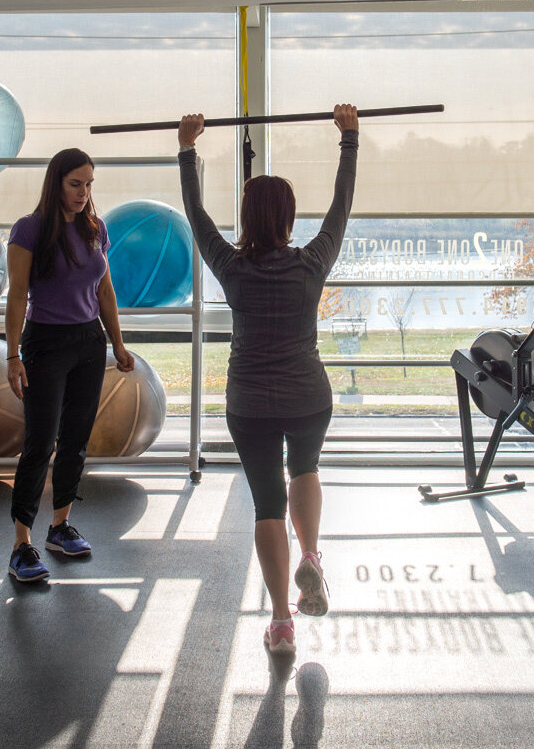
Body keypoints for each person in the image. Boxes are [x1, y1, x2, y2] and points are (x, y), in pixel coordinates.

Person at [177, 105, 359, 654]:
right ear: (288, 218)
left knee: (267, 504)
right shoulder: (312, 263)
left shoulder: (232, 268)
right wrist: (349, 139)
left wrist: (187, 148)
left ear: (247, 216)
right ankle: (311, 556)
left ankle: (281, 622)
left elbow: (196, 216)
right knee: (305, 468)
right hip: (308, 397)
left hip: (250, 403)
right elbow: (341, 207)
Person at [4, 147, 134, 583]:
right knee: (40, 443)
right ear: (56, 183)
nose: (83, 193)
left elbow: (105, 292)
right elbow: (17, 296)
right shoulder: (29, 230)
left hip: (88, 342)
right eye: (75, 184)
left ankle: (59, 527)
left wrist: (118, 344)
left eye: (89, 185)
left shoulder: (96, 228)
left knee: (76, 440)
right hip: (45, 343)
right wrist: (12, 354)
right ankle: (21, 545)